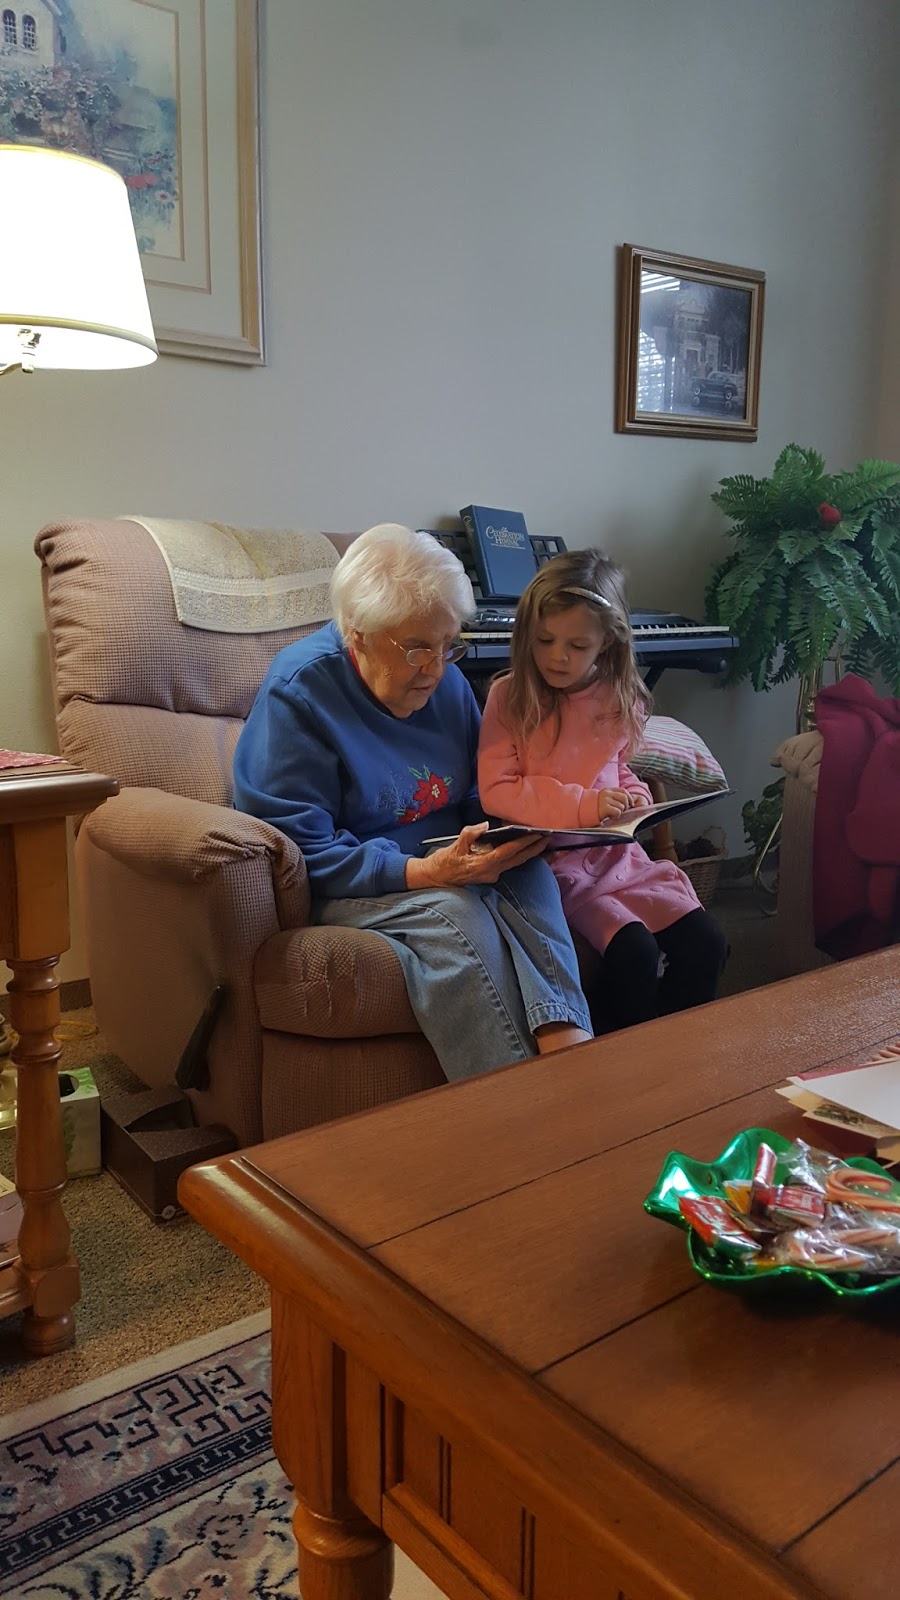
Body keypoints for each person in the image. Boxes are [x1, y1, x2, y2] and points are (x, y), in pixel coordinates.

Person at [232, 524, 593, 1079]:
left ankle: (569, 1053)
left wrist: (516, 827)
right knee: (456, 917)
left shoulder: (446, 683)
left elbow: (475, 791)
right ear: (358, 635)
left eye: (448, 645)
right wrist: (425, 873)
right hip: (352, 879)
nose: (437, 668)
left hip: (447, 854)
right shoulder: (300, 692)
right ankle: (517, 1104)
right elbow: (298, 850)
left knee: (530, 874)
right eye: (418, 648)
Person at [478, 548, 728, 1030]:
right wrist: (586, 804)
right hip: (555, 863)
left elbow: (614, 768)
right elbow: (498, 791)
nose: (557, 656)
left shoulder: (616, 698)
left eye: (577, 645)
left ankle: (677, 1049)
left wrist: (636, 798)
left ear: (607, 643)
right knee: (634, 953)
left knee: (707, 943)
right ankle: (622, 1060)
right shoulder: (509, 697)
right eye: (544, 640)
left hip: (618, 857)